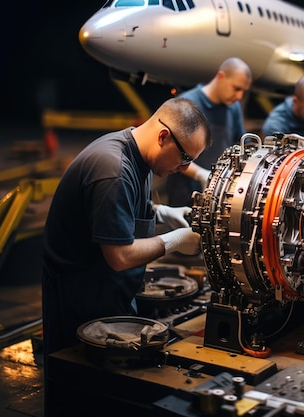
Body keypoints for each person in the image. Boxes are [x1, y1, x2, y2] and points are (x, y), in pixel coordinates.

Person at [41, 98, 211, 411]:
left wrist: (163, 214)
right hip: (81, 299)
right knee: (80, 397)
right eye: (185, 157)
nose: (185, 168)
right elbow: (119, 256)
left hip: (109, 292)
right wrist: (175, 240)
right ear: (163, 137)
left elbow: (121, 212)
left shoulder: (140, 157)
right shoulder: (114, 169)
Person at [167, 57, 252, 206]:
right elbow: (173, 154)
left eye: (243, 92)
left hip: (218, 192)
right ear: (221, 77)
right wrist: (200, 174)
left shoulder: (233, 107)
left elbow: (242, 141)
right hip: (186, 193)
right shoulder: (188, 104)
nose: (239, 96)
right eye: (236, 88)